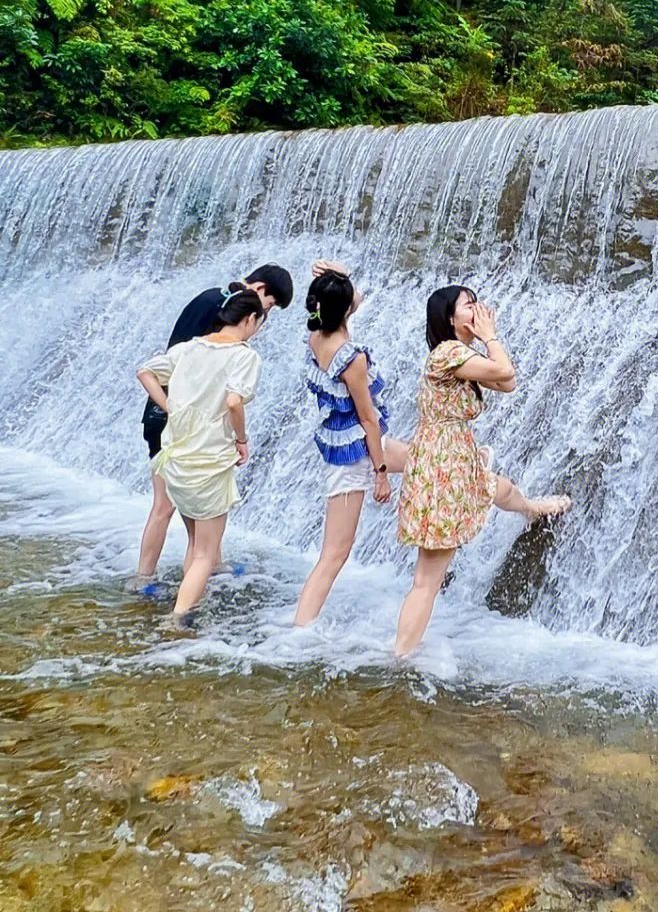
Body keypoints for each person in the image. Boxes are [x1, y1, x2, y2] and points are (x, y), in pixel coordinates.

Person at [393, 286, 571, 657]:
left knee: (498, 488)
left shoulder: (460, 356)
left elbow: (508, 382)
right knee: (427, 580)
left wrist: (485, 343)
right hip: (445, 466)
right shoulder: (449, 353)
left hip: (451, 462)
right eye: (469, 305)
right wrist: (490, 337)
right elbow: (505, 369)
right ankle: (401, 657)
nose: (480, 310)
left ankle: (532, 508)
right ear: (450, 319)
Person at [135, 264, 293, 583]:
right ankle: (146, 579)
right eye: (271, 305)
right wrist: (175, 409)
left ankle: (207, 564)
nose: (265, 316)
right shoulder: (222, 311)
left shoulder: (212, 297)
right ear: (259, 289)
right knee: (167, 507)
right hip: (176, 419)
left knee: (191, 508)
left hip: (166, 411)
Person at [137, 286, 265, 620]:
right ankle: (178, 619)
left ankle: (190, 603)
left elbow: (145, 372)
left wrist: (170, 408)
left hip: (176, 461)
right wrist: (241, 438)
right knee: (206, 554)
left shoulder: (189, 348)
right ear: (249, 319)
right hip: (209, 464)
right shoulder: (243, 355)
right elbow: (234, 402)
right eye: (259, 323)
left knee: (196, 545)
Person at [293, 265, 410, 626]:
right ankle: (298, 631)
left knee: (427, 458)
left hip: (341, 440)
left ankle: (495, 487)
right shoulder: (353, 358)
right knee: (334, 555)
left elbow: (352, 298)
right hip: (356, 452)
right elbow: (368, 419)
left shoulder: (315, 336)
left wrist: (337, 276)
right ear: (345, 311)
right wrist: (380, 475)